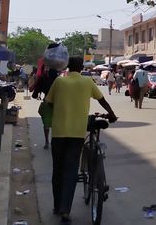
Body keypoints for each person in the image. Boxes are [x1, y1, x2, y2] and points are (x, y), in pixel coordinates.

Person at [45, 56, 117, 224]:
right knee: (71, 171)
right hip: (77, 133)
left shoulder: (59, 82)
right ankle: (65, 211)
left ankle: (57, 206)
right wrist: (112, 115)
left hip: (59, 133)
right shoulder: (87, 82)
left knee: (58, 170)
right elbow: (102, 100)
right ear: (82, 66)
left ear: (68, 67)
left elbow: (48, 102)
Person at [33, 67, 59, 149]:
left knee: (46, 124)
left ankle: (47, 142)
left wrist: (36, 94)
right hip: (59, 104)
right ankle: (54, 141)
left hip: (47, 103)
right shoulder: (60, 80)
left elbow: (36, 91)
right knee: (57, 124)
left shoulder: (44, 78)